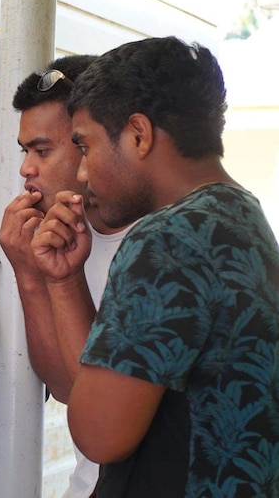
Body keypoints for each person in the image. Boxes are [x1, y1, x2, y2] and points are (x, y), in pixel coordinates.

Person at [33, 36, 279, 497]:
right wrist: (65, 276)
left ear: (139, 135)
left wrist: (61, 284)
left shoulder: (167, 239)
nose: (82, 174)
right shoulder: (244, 215)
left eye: (85, 146)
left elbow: (99, 434)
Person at [0, 54, 135, 498]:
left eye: (42, 150)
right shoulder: (64, 233)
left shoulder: (154, 244)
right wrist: (29, 273)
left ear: (87, 140)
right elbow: (64, 388)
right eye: (25, 151)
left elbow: (105, 414)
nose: (25, 169)